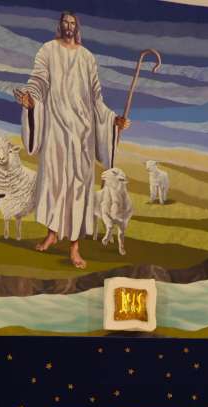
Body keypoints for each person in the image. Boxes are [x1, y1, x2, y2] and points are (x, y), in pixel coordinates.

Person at [15, 10, 130, 269]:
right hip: (55, 129)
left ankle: (75, 247)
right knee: (55, 182)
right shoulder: (47, 50)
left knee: (78, 186)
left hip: (82, 132)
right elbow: (38, 81)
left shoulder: (87, 57)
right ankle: (52, 233)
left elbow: (96, 98)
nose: (68, 26)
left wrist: (113, 120)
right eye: (65, 22)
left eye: (72, 23)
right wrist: (30, 99)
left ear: (77, 27)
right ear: (60, 25)